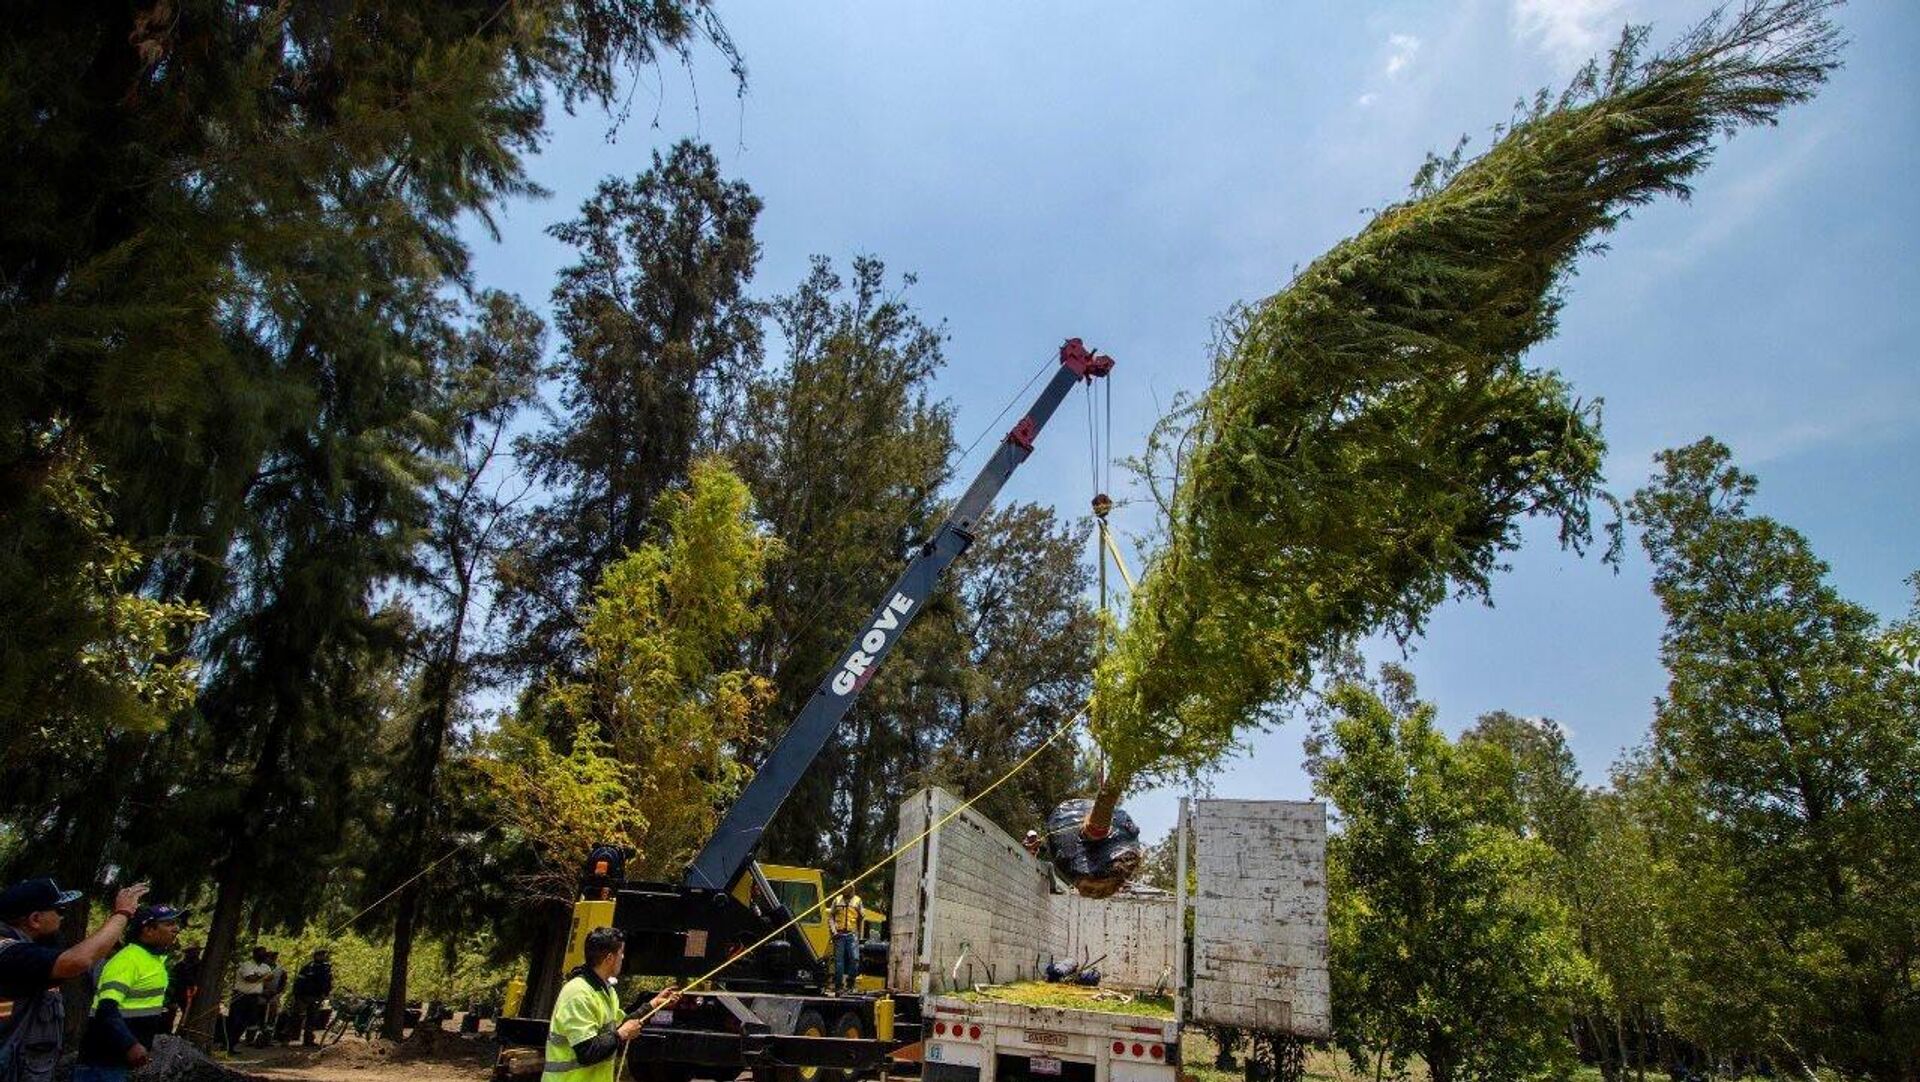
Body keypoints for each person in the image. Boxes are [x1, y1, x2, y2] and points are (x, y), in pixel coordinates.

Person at [0, 879, 149, 1082]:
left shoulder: (27, 952)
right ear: (35, 919)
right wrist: (122, 914)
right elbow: (78, 961)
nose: (63, 918)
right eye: (59, 910)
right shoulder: (11, 953)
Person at [544, 928, 678, 1082]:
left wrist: (654, 1004)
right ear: (609, 958)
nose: (623, 957)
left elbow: (621, 1024)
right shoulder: (578, 993)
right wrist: (621, 1034)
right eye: (621, 953)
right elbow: (587, 1051)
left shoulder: (605, 990)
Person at [74, 903, 187, 1082]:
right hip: (104, 1062)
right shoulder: (127, 961)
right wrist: (131, 1045)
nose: (176, 928)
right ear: (148, 930)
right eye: (168, 924)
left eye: (176, 923)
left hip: (120, 1062)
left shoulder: (152, 960)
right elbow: (106, 1008)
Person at [227, 946, 273, 1052]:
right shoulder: (246, 965)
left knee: (246, 1022)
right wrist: (262, 977)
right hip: (240, 996)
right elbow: (249, 979)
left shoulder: (265, 966)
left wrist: (258, 976)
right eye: (261, 954)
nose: (263, 956)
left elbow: (270, 977)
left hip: (254, 997)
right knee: (235, 1021)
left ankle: (232, 1044)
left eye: (264, 954)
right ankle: (227, 1044)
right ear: (255, 954)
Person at [287, 949, 333, 1047]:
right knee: (297, 1017)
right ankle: (289, 1038)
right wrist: (296, 994)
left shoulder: (326, 968)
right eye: (320, 955)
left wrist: (325, 993)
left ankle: (308, 1040)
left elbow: (327, 983)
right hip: (304, 996)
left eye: (323, 955)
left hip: (316, 996)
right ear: (315, 956)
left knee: (312, 1018)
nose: (322, 957)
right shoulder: (308, 967)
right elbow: (299, 982)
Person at [826, 889, 863, 993]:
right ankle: (839, 987)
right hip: (839, 934)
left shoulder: (857, 901)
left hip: (852, 934)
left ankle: (850, 983)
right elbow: (831, 916)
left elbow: (861, 917)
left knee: (855, 959)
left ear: (852, 890)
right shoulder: (837, 900)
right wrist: (834, 931)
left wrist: (857, 933)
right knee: (839, 962)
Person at [162, 946, 201, 1035]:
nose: (196, 955)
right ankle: (169, 1031)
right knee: (172, 1012)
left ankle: (179, 1032)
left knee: (185, 1014)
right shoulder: (181, 965)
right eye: (194, 953)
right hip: (179, 992)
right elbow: (174, 978)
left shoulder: (197, 965)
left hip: (186, 993)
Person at [260, 951, 286, 1039]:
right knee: (259, 1014)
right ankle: (252, 1036)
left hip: (274, 995)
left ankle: (268, 1036)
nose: (272, 960)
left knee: (272, 1015)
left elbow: (283, 983)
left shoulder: (280, 969)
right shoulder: (260, 968)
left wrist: (277, 992)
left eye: (274, 958)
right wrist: (263, 990)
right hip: (260, 994)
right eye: (270, 957)